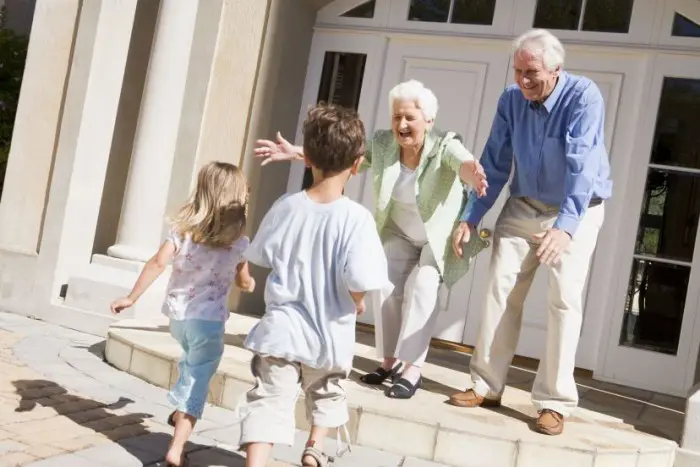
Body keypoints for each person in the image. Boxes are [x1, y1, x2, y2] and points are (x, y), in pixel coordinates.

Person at [254, 80, 489, 400]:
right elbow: (346, 156)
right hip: (400, 232)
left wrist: (472, 173)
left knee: (422, 286)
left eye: (409, 118)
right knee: (387, 285)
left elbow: (461, 162)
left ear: (429, 120)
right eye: (396, 118)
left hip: (436, 239)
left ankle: (412, 368)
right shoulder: (382, 144)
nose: (401, 125)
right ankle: (389, 361)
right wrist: (299, 153)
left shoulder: (445, 145)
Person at [448, 29, 611, 436]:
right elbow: (496, 161)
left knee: (563, 300)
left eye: (532, 72)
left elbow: (582, 166)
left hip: (578, 207)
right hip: (523, 205)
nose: (522, 80)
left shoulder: (583, 96)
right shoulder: (510, 99)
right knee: (500, 290)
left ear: (556, 70)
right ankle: (486, 384)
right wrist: (472, 215)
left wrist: (566, 228)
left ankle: (554, 402)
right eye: (518, 70)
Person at [236, 103, 388, 467]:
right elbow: (359, 278)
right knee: (327, 393)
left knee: (269, 399)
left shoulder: (286, 206)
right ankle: (314, 447)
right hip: (329, 332)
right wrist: (358, 300)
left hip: (282, 330)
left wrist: (243, 275)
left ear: (306, 159)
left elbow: (259, 255)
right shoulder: (357, 219)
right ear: (357, 164)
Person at [110, 162, 255, 466]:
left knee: (191, 366)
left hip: (178, 319)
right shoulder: (239, 244)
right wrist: (249, 282)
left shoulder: (182, 233)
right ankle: (176, 448)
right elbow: (244, 282)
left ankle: (177, 412)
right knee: (198, 382)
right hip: (210, 325)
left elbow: (156, 263)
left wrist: (131, 297)